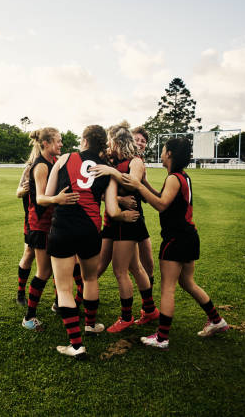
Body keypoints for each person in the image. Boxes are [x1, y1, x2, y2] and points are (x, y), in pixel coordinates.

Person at [122, 137, 229, 349]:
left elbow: (161, 205)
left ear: (169, 154)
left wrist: (136, 185)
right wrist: (143, 184)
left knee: (168, 288)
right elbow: (164, 198)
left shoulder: (173, 178)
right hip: (189, 236)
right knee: (187, 283)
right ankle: (217, 321)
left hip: (176, 239)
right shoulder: (182, 176)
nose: (161, 154)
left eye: (162, 150)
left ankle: (162, 338)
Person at [39, 125, 121, 359]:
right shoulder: (108, 170)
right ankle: (91, 325)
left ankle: (76, 345)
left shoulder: (65, 158)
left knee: (64, 287)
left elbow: (45, 197)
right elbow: (113, 210)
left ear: (84, 141)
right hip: (91, 228)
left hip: (63, 227)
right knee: (90, 278)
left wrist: (57, 199)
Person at [92, 125, 158, 333]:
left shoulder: (135, 162)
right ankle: (150, 310)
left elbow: (133, 184)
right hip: (117, 222)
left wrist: (112, 172)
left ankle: (126, 317)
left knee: (121, 270)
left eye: (111, 141)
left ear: (118, 142)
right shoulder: (116, 162)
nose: (109, 145)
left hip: (128, 222)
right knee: (134, 268)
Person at [21, 127, 64, 331]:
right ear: (45, 143)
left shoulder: (54, 161)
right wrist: (59, 199)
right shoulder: (40, 166)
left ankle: (58, 304)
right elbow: (41, 199)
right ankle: (29, 317)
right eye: (57, 141)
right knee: (44, 271)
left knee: (59, 268)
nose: (61, 144)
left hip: (52, 223)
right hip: (40, 224)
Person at [131, 126, 157, 287]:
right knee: (102, 266)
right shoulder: (120, 159)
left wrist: (145, 181)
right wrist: (120, 199)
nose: (140, 143)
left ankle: (148, 306)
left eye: (143, 141)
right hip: (121, 217)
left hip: (137, 215)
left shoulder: (139, 162)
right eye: (137, 139)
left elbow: (144, 195)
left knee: (147, 263)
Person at [15, 163, 35, 306]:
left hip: (52, 217)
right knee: (29, 253)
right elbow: (18, 192)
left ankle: (59, 298)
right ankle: (20, 293)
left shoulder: (56, 163)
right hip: (31, 219)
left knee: (55, 257)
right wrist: (24, 189)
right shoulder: (29, 167)